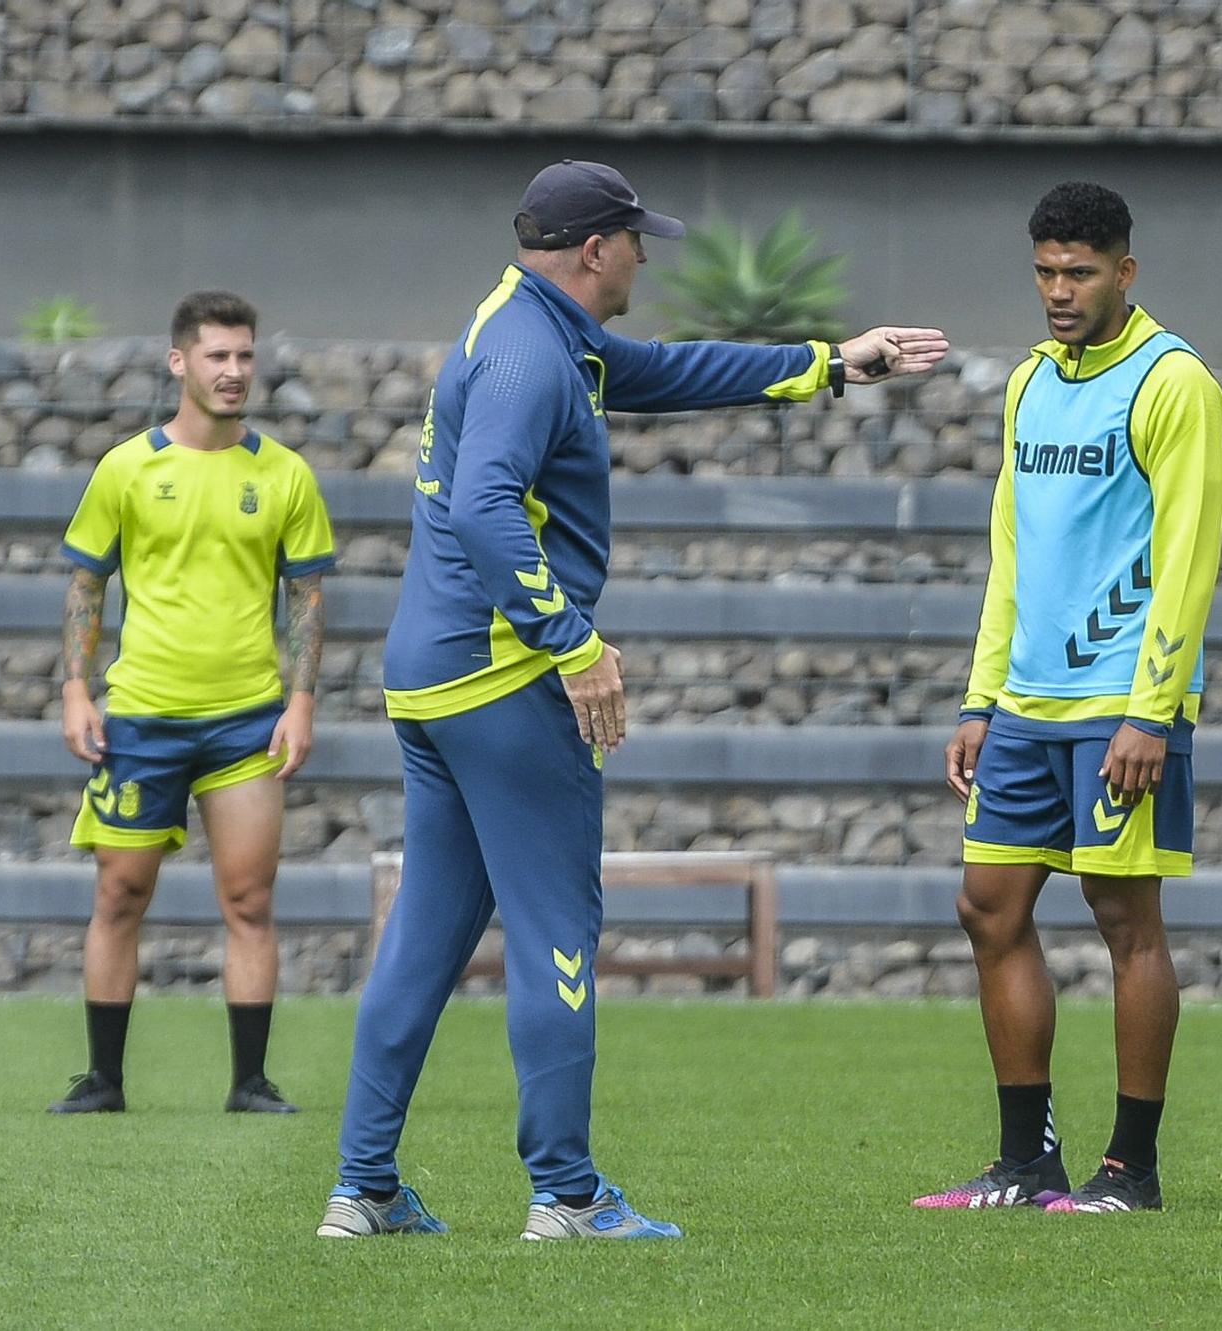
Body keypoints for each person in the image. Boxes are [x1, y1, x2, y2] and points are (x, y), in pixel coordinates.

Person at [319, 160, 949, 1242]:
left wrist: (828, 365)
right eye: (635, 240)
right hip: (504, 676)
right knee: (556, 928)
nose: (646, 258)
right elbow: (480, 506)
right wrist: (571, 642)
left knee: (425, 933)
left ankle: (362, 1186)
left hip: (429, 677)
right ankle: (565, 1196)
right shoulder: (530, 356)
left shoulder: (528, 324)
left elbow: (661, 370)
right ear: (592, 250)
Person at [914, 182, 1222, 1215]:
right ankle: (1022, 1160)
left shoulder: (1173, 381)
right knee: (986, 905)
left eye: (1078, 272)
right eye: (1045, 270)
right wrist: (979, 694)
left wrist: (1152, 706)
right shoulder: (1031, 383)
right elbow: (1012, 552)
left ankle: (1128, 1169)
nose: (1057, 290)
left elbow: (1186, 556)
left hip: (1118, 702)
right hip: (1024, 706)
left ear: (1123, 273)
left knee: (1122, 917)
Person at [52, 291, 335, 1116]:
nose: (234, 371)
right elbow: (84, 585)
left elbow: (308, 599)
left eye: (245, 355)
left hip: (247, 720)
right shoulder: (126, 468)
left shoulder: (284, 472)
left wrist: (302, 700)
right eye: (217, 355)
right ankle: (104, 1079)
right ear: (180, 362)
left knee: (249, 900)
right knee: (120, 895)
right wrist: (76, 689)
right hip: (140, 716)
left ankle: (249, 1082)